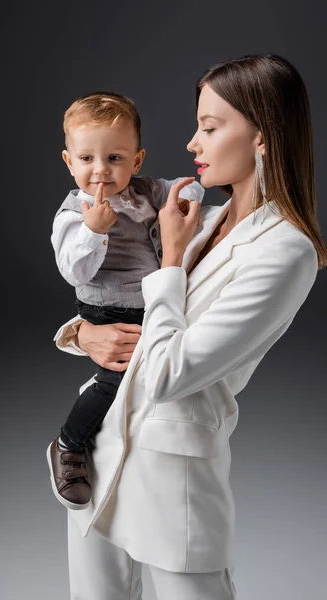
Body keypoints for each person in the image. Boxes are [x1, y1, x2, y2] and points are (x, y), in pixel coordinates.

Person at [50, 55, 327, 600]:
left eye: (209, 127)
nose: (192, 144)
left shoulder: (285, 250)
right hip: (101, 456)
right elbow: (137, 313)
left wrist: (173, 259)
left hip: (172, 478)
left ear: (262, 137)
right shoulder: (209, 219)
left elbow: (172, 372)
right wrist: (83, 334)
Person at [46, 91, 204, 510]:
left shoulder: (144, 191)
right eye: (87, 160)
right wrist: (94, 231)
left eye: (115, 158)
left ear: (136, 160)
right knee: (116, 383)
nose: (100, 171)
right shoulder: (71, 215)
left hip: (152, 302)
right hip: (107, 309)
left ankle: (132, 458)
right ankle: (68, 444)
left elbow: (181, 193)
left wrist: (192, 195)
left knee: (156, 381)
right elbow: (74, 273)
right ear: (69, 162)